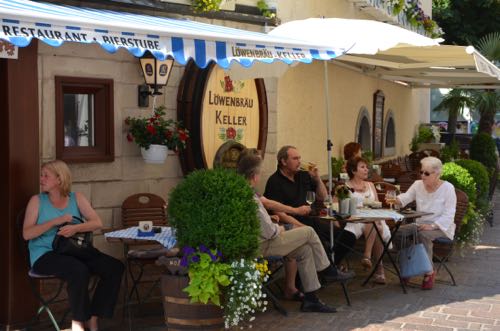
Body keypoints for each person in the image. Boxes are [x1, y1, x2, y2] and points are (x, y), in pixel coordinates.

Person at [237, 149, 352, 313]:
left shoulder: (244, 189)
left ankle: (311, 300)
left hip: (261, 240)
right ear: (254, 175)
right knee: (309, 232)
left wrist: (294, 210)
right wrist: (283, 226)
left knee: (304, 250)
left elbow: (269, 204)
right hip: (261, 244)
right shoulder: (252, 195)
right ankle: (328, 270)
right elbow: (270, 232)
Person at [23, 160, 124, 331]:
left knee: (114, 267)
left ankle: (93, 316)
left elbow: (97, 222)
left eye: (45, 175)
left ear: (59, 179)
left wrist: (75, 228)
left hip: (74, 250)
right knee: (78, 270)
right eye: (41, 175)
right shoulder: (37, 201)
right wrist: (57, 221)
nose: (41, 179)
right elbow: (27, 234)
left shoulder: (77, 198)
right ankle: (78, 322)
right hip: (45, 255)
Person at [264, 145, 357, 272]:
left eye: (299, 158)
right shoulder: (274, 181)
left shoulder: (303, 175)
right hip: (291, 223)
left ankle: (329, 267)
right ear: (283, 161)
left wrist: (317, 179)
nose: (299, 162)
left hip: (313, 219)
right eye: (295, 158)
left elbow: (324, 198)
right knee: (318, 239)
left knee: (348, 238)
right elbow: (279, 213)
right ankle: (327, 270)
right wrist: (301, 226)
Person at [392, 156, 456, 290]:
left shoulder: (448, 188)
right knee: (397, 233)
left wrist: (432, 226)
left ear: (437, 174)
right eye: (421, 172)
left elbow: (449, 215)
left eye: (426, 173)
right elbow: (406, 197)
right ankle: (410, 266)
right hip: (420, 224)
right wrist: (395, 200)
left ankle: (429, 272)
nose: (422, 176)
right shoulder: (417, 184)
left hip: (441, 227)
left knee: (423, 235)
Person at [343, 157, 388, 284]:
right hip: (355, 220)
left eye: (366, 167)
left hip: (373, 217)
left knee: (376, 224)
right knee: (376, 226)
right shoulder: (344, 187)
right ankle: (379, 269)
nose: (366, 169)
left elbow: (378, 204)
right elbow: (337, 206)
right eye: (362, 167)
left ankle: (368, 257)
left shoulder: (370, 185)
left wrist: (376, 214)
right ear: (353, 170)